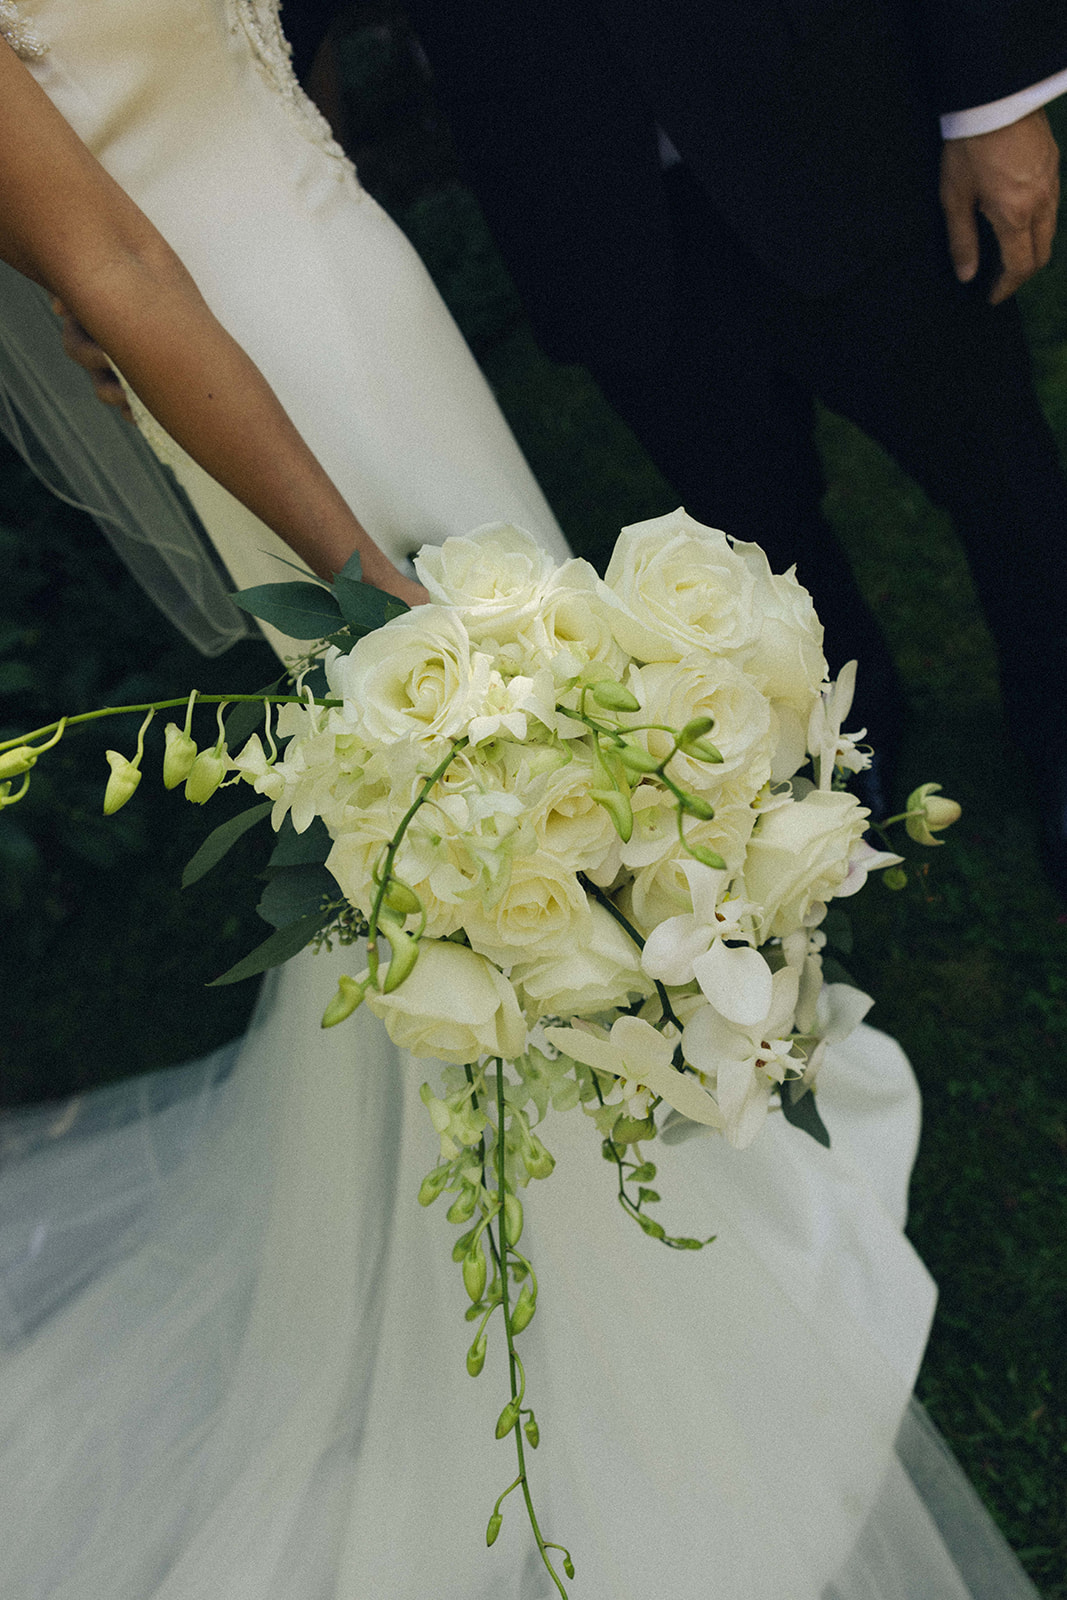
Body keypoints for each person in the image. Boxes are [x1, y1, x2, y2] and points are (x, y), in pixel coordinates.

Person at [0, 8, 1044, 1599]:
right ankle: (581, 1220)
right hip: (244, 372)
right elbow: (117, 267)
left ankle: (670, 1060)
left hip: (344, 277)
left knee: (554, 731)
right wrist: (360, 585)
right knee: (457, 769)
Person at [405, 0, 1067, 891]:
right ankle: (845, 736)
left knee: (1000, 477)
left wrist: (996, 98)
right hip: (574, 173)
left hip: (836, 102)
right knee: (747, 530)